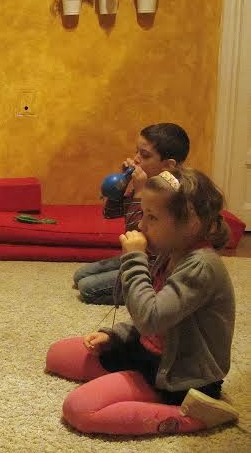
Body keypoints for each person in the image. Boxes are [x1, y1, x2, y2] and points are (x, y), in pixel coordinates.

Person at [45, 167, 238, 435]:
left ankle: (199, 416)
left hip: (179, 376)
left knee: (79, 409)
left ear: (191, 225)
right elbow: (152, 316)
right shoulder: (171, 250)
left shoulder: (201, 266)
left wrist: (134, 260)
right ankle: (124, 384)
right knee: (57, 355)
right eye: (144, 214)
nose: (141, 226)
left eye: (152, 217)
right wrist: (115, 336)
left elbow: (151, 318)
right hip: (148, 352)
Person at [73, 123, 190, 305]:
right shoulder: (149, 182)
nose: (136, 159)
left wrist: (140, 192)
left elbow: (137, 233)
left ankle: (147, 293)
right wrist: (122, 183)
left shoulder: (171, 194)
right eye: (137, 152)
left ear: (168, 165)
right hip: (139, 256)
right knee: (80, 275)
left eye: (145, 155)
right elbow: (110, 213)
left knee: (87, 287)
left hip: (154, 268)